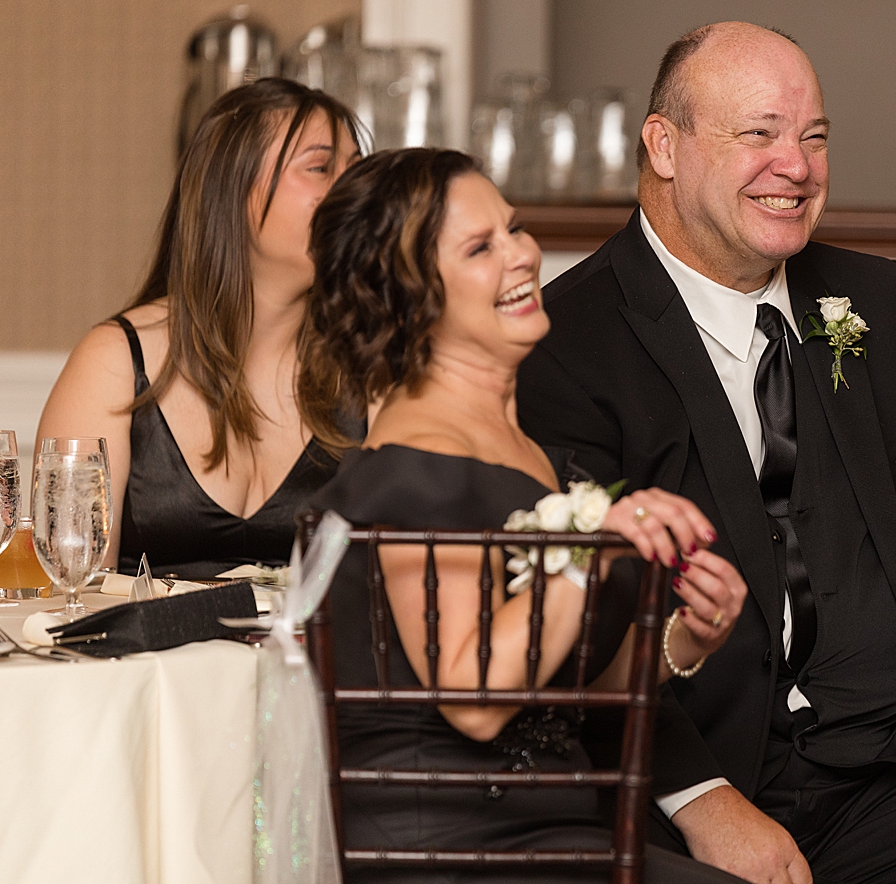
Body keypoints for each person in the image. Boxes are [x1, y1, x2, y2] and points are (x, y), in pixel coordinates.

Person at [516, 23, 896, 884]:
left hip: (894, 766)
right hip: (690, 775)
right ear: (664, 145)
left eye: (813, 138)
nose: (796, 166)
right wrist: (705, 804)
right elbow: (559, 625)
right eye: (759, 134)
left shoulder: (881, 301)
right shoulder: (567, 347)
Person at [301, 147, 750, 884]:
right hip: (449, 847)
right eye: (481, 247)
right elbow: (476, 701)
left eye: (514, 228)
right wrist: (586, 544)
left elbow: (550, 695)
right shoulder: (415, 462)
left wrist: (686, 641)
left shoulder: (521, 452)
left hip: (551, 825)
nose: (523, 255)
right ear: (410, 298)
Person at [36, 78, 363, 576]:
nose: (355, 192)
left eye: (357, 172)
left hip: (307, 657)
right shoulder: (115, 361)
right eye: (320, 167)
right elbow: (68, 591)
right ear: (231, 189)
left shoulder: (371, 365)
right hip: (140, 655)